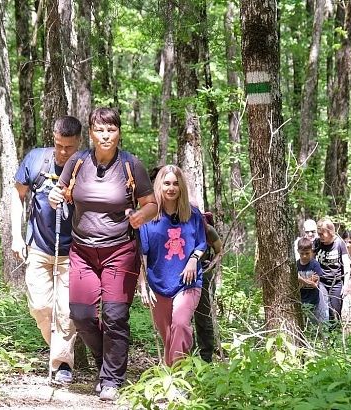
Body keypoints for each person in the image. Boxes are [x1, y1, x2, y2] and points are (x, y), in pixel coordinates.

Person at [48, 107, 157, 401]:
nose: (105, 135)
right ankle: (105, 363)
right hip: (82, 250)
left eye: (111, 130)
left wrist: (140, 216)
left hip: (120, 251)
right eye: (99, 130)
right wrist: (55, 196)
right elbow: (59, 191)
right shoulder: (78, 161)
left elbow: (152, 204)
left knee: (114, 316)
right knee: (81, 315)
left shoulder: (131, 165)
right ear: (92, 133)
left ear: (119, 132)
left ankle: (111, 378)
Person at [11, 115, 82, 384]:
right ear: (53, 138)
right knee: (41, 306)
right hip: (39, 247)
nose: (63, 152)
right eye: (59, 145)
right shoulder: (36, 159)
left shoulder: (85, 164)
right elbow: (17, 196)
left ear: (79, 143)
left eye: (70, 147)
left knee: (66, 310)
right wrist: (17, 237)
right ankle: (60, 350)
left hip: (73, 250)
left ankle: (62, 364)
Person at [138, 165, 207, 367]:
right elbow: (141, 253)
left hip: (187, 282)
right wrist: (143, 285)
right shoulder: (148, 217)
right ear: (159, 185)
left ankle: (176, 376)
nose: (171, 188)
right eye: (167, 183)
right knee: (168, 334)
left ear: (181, 187)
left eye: (176, 184)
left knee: (180, 324)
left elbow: (202, 243)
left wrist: (194, 259)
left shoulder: (192, 214)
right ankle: (173, 378)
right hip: (158, 284)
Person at [194, 211, 223, 362]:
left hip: (203, 275)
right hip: (180, 275)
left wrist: (210, 267)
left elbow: (219, 250)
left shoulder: (208, 230)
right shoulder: (178, 226)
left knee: (203, 317)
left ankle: (206, 359)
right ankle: (187, 357)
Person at [313, 218, 350, 322]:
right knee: (324, 309)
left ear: (330, 232)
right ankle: (323, 335)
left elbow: (347, 264)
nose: (320, 237)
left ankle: (336, 334)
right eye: (318, 234)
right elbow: (311, 259)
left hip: (336, 283)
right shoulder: (317, 242)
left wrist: (346, 284)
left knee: (335, 311)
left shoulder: (339, 243)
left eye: (322, 234)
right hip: (322, 282)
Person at [296, 237, 328, 323]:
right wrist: (308, 280)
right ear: (298, 251)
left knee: (316, 322)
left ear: (311, 251)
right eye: (302, 253)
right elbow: (296, 286)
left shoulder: (314, 264)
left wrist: (301, 279)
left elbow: (315, 285)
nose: (304, 256)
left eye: (307, 253)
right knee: (303, 323)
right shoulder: (296, 265)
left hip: (314, 300)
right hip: (301, 300)